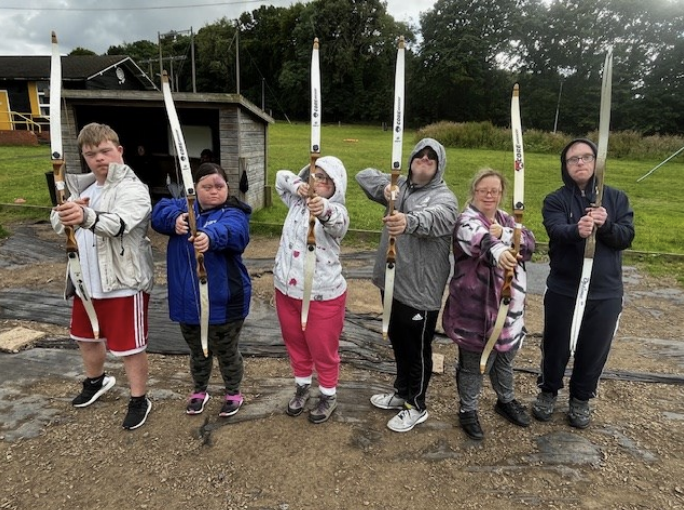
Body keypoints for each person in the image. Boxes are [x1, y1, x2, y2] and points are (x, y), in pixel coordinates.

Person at [50, 122, 155, 430]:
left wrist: (84, 216)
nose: (99, 158)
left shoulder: (134, 189)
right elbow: (58, 227)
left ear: (119, 151)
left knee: (129, 347)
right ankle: (96, 381)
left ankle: (139, 398)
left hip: (122, 282)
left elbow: (118, 224)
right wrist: (64, 212)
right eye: (91, 153)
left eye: (105, 151)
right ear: (85, 157)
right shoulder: (81, 188)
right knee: (85, 337)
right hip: (86, 282)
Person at [356, 138, 458, 433]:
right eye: (420, 156)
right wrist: (388, 187)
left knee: (417, 349)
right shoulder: (399, 190)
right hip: (392, 282)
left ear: (438, 165)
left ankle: (417, 404)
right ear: (412, 159)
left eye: (431, 158)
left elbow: (438, 218)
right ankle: (401, 392)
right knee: (400, 343)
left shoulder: (444, 197)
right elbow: (362, 176)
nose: (424, 160)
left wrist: (409, 221)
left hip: (420, 291)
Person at [533, 138, 634, 429]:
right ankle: (548, 390)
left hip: (605, 291)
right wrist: (577, 229)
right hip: (565, 288)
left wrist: (607, 226)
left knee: (594, 347)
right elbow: (555, 230)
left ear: (596, 162)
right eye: (573, 159)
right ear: (565, 166)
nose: (580, 163)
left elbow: (626, 236)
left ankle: (581, 398)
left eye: (586, 157)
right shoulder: (556, 199)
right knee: (556, 344)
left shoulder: (616, 199)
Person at [151, 162, 252, 417]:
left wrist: (209, 235)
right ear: (194, 190)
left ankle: (233, 392)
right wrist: (175, 220)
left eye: (220, 186)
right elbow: (158, 211)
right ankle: (199, 390)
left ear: (228, 187)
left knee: (227, 351)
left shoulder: (234, 212)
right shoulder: (183, 208)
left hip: (225, 300)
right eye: (206, 186)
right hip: (189, 301)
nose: (214, 191)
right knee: (198, 350)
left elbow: (235, 232)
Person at [442, 168, 535, 440]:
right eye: (484, 190)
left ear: (502, 193)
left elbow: (528, 244)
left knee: (505, 360)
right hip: (475, 314)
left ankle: (504, 401)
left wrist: (506, 233)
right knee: (473, 365)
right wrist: (501, 249)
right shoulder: (466, 221)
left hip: (509, 314)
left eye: (495, 190)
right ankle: (467, 410)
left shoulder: (507, 220)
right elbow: (479, 242)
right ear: (474, 192)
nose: (489, 195)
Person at [274, 156, 349, 424]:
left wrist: (323, 209)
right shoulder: (296, 200)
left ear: (336, 186)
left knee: (323, 348)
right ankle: (302, 386)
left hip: (322, 296)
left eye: (326, 180)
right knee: (295, 342)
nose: (318, 183)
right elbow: (281, 176)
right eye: (315, 177)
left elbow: (337, 224)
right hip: (286, 291)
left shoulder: (337, 210)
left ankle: (328, 394)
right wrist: (299, 186)